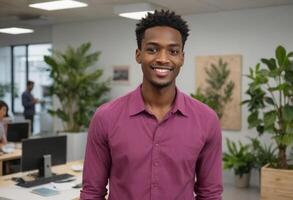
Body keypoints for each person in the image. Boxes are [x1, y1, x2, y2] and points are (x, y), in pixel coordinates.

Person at [81, 10, 223, 200]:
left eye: (173, 51)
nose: (163, 59)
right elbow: (92, 193)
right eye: (152, 49)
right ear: (138, 55)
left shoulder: (206, 120)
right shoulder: (105, 117)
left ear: (182, 57)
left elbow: (210, 194)